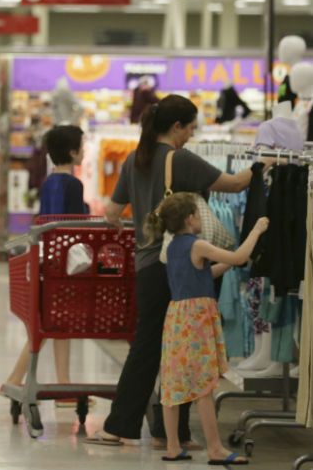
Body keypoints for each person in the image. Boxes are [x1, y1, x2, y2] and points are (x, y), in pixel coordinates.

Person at [85, 95, 257, 449]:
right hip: (182, 268)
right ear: (176, 127)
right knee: (188, 349)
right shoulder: (181, 160)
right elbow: (236, 184)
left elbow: (112, 212)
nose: (192, 135)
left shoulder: (134, 159)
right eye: (191, 127)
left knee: (147, 346)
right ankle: (164, 432)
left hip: (147, 266)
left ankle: (125, 427)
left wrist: (130, 228)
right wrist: (264, 166)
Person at [147, 192, 268, 465]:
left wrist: (229, 264)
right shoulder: (197, 244)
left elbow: (200, 274)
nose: (202, 218)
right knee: (204, 385)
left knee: (172, 382)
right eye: (200, 214)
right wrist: (256, 231)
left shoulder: (174, 246)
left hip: (177, 316)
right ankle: (215, 449)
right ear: (190, 219)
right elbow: (238, 255)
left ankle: (173, 447)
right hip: (197, 319)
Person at [2, 125, 88, 406]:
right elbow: (74, 226)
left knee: (54, 324)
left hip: (47, 259)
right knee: (49, 325)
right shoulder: (74, 184)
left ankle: (63, 386)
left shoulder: (49, 182)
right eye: (82, 147)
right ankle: (15, 379)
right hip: (66, 263)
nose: (85, 151)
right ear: (73, 152)